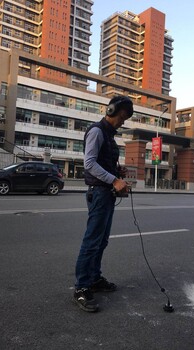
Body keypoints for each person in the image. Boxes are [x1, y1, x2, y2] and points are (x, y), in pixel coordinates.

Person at [73, 96, 134, 312]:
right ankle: (81, 287)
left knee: (101, 241)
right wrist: (114, 180)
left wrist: (117, 173)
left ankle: (95, 279)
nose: (122, 122)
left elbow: (102, 163)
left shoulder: (108, 135)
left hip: (106, 193)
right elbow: (89, 163)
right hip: (98, 193)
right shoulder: (97, 131)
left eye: (125, 119)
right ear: (111, 110)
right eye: (121, 117)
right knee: (92, 241)